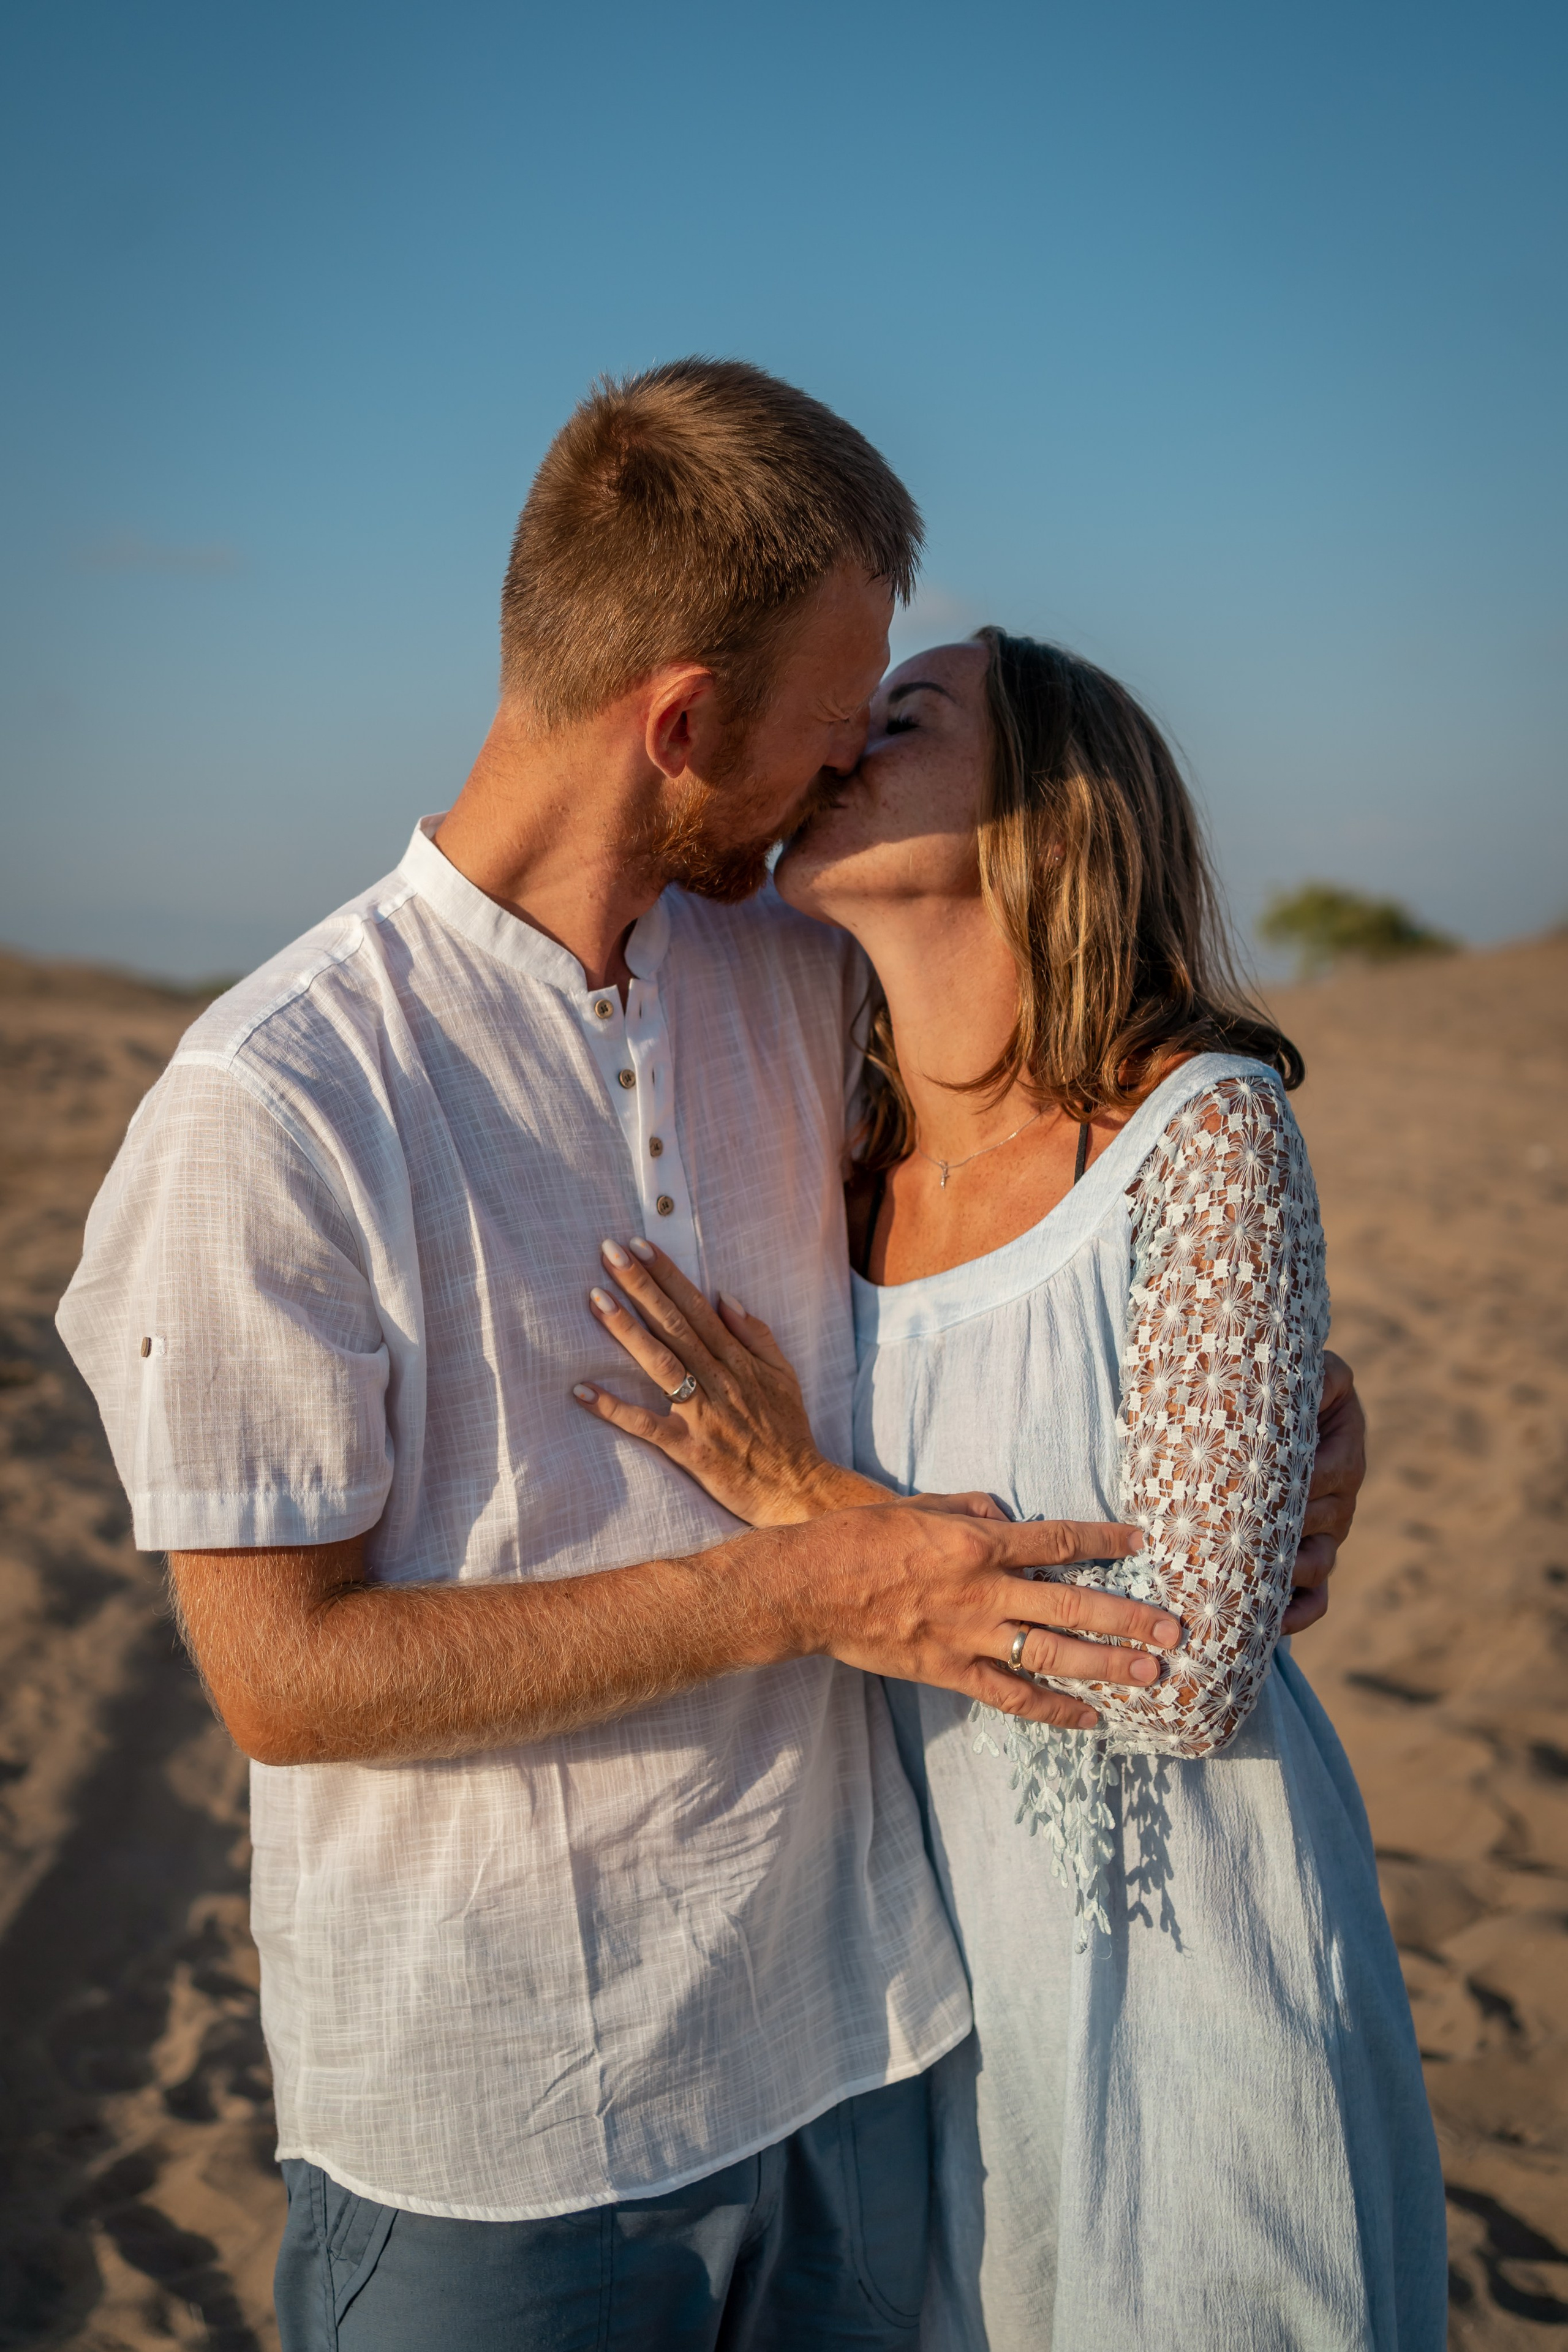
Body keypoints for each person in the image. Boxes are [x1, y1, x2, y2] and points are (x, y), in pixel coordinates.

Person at [56, 362, 1362, 2351]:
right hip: (505, 2164)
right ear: (682, 722)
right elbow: (282, 1676)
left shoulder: (792, 971)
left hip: (879, 2067)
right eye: (837, 723)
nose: (849, 766)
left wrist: (1301, 1439)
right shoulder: (282, 1098)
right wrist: (793, 1585)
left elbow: (1071, 1168)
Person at [576, 628, 1441, 2350]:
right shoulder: (837, 1163)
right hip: (937, 1998)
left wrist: (800, 1495)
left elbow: (1188, 1675)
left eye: (903, 720)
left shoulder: (1198, 1134)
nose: (840, 752)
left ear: (1045, 812)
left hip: (1195, 1965)